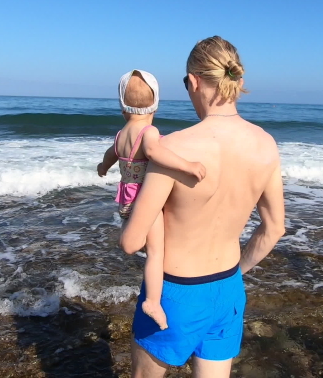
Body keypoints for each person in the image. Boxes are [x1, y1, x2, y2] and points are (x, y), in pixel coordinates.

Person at [120, 37, 285, 377]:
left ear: (194, 80)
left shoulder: (175, 148)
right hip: (228, 289)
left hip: (175, 292)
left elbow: (132, 242)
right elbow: (273, 229)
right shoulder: (266, 144)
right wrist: (238, 271)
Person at [98, 69, 207, 330]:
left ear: (122, 107)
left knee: (145, 241)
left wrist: (103, 167)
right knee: (156, 253)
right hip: (145, 199)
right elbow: (155, 152)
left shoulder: (121, 134)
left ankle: (135, 240)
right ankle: (153, 301)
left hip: (125, 198)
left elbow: (110, 155)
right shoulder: (148, 132)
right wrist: (187, 165)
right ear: (155, 105)